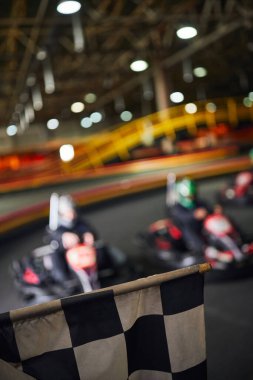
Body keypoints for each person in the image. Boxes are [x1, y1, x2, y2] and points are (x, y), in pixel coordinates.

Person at [46, 193, 98, 283]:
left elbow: (89, 230)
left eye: (72, 211)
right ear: (61, 214)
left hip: (84, 254)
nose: (71, 215)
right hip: (67, 258)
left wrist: (88, 234)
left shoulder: (79, 223)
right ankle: (67, 282)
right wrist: (63, 238)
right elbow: (52, 239)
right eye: (68, 212)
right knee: (59, 271)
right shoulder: (55, 229)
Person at [168, 177, 212, 254]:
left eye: (193, 196)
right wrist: (194, 215)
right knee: (188, 230)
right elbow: (182, 217)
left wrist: (212, 210)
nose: (192, 198)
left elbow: (208, 208)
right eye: (189, 196)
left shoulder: (199, 203)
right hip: (188, 231)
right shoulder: (177, 208)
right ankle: (202, 250)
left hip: (203, 228)